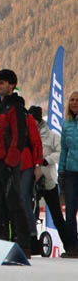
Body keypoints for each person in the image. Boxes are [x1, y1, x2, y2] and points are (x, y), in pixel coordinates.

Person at [0, 68, 40, 257]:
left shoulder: (15, 107)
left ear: (12, 85)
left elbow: (18, 137)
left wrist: (11, 162)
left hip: (7, 164)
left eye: (2, 83)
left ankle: (24, 244)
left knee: (14, 204)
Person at [29, 105, 77, 256]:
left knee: (56, 214)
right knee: (32, 212)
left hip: (48, 180)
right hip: (31, 180)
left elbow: (61, 151)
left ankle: (69, 246)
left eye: (34, 120)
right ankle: (32, 243)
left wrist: (46, 160)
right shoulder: (26, 134)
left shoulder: (51, 136)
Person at [61, 92, 78, 250]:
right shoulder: (66, 124)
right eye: (72, 99)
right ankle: (72, 246)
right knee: (71, 209)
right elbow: (64, 149)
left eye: (77, 100)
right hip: (70, 172)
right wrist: (61, 171)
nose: (74, 102)